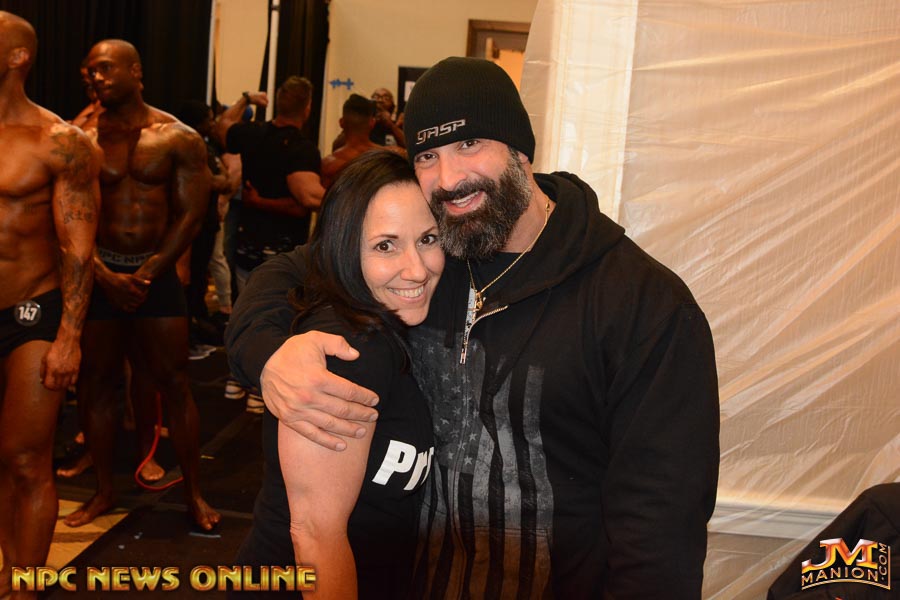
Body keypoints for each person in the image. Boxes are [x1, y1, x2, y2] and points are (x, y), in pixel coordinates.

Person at [226, 57, 720, 598]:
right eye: (427, 155)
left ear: (521, 150)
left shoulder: (643, 305)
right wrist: (265, 355)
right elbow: (297, 267)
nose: (449, 179)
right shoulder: (432, 254)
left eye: (469, 144)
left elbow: (660, 531)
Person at [232, 150, 439, 599]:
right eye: (385, 246)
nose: (417, 268)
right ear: (345, 251)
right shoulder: (347, 352)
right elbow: (315, 536)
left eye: (428, 239)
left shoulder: (388, 326)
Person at [65, 39, 220, 531]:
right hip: (102, 273)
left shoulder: (177, 136)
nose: (96, 77)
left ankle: (194, 493)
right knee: (95, 384)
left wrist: (150, 271)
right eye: (91, 70)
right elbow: (68, 217)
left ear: (135, 71)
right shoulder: (79, 137)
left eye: (106, 68)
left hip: (155, 274)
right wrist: (104, 275)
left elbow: (192, 213)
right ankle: (104, 490)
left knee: (174, 383)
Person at [0, 11, 100, 598]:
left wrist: (69, 337)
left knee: (25, 458)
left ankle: (28, 585)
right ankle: (11, 568)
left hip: (31, 314)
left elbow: (77, 250)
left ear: (18, 57)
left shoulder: (59, 141)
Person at [215, 78, 325, 292]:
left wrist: (246, 99)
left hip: (249, 250)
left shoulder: (252, 133)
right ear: (307, 109)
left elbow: (223, 126)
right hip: (282, 256)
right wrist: (353, 199)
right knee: (280, 310)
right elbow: (308, 197)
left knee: (248, 307)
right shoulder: (301, 149)